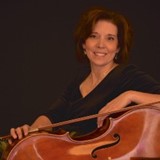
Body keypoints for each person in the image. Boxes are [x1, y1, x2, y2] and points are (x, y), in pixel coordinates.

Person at [9, 6, 160, 143]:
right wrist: (29, 133)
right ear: (83, 44)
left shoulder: (127, 75)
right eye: (94, 36)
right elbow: (52, 116)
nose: (101, 44)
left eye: (110, 38)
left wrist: (129, 95)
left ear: (118, 47)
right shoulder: (79, 78)